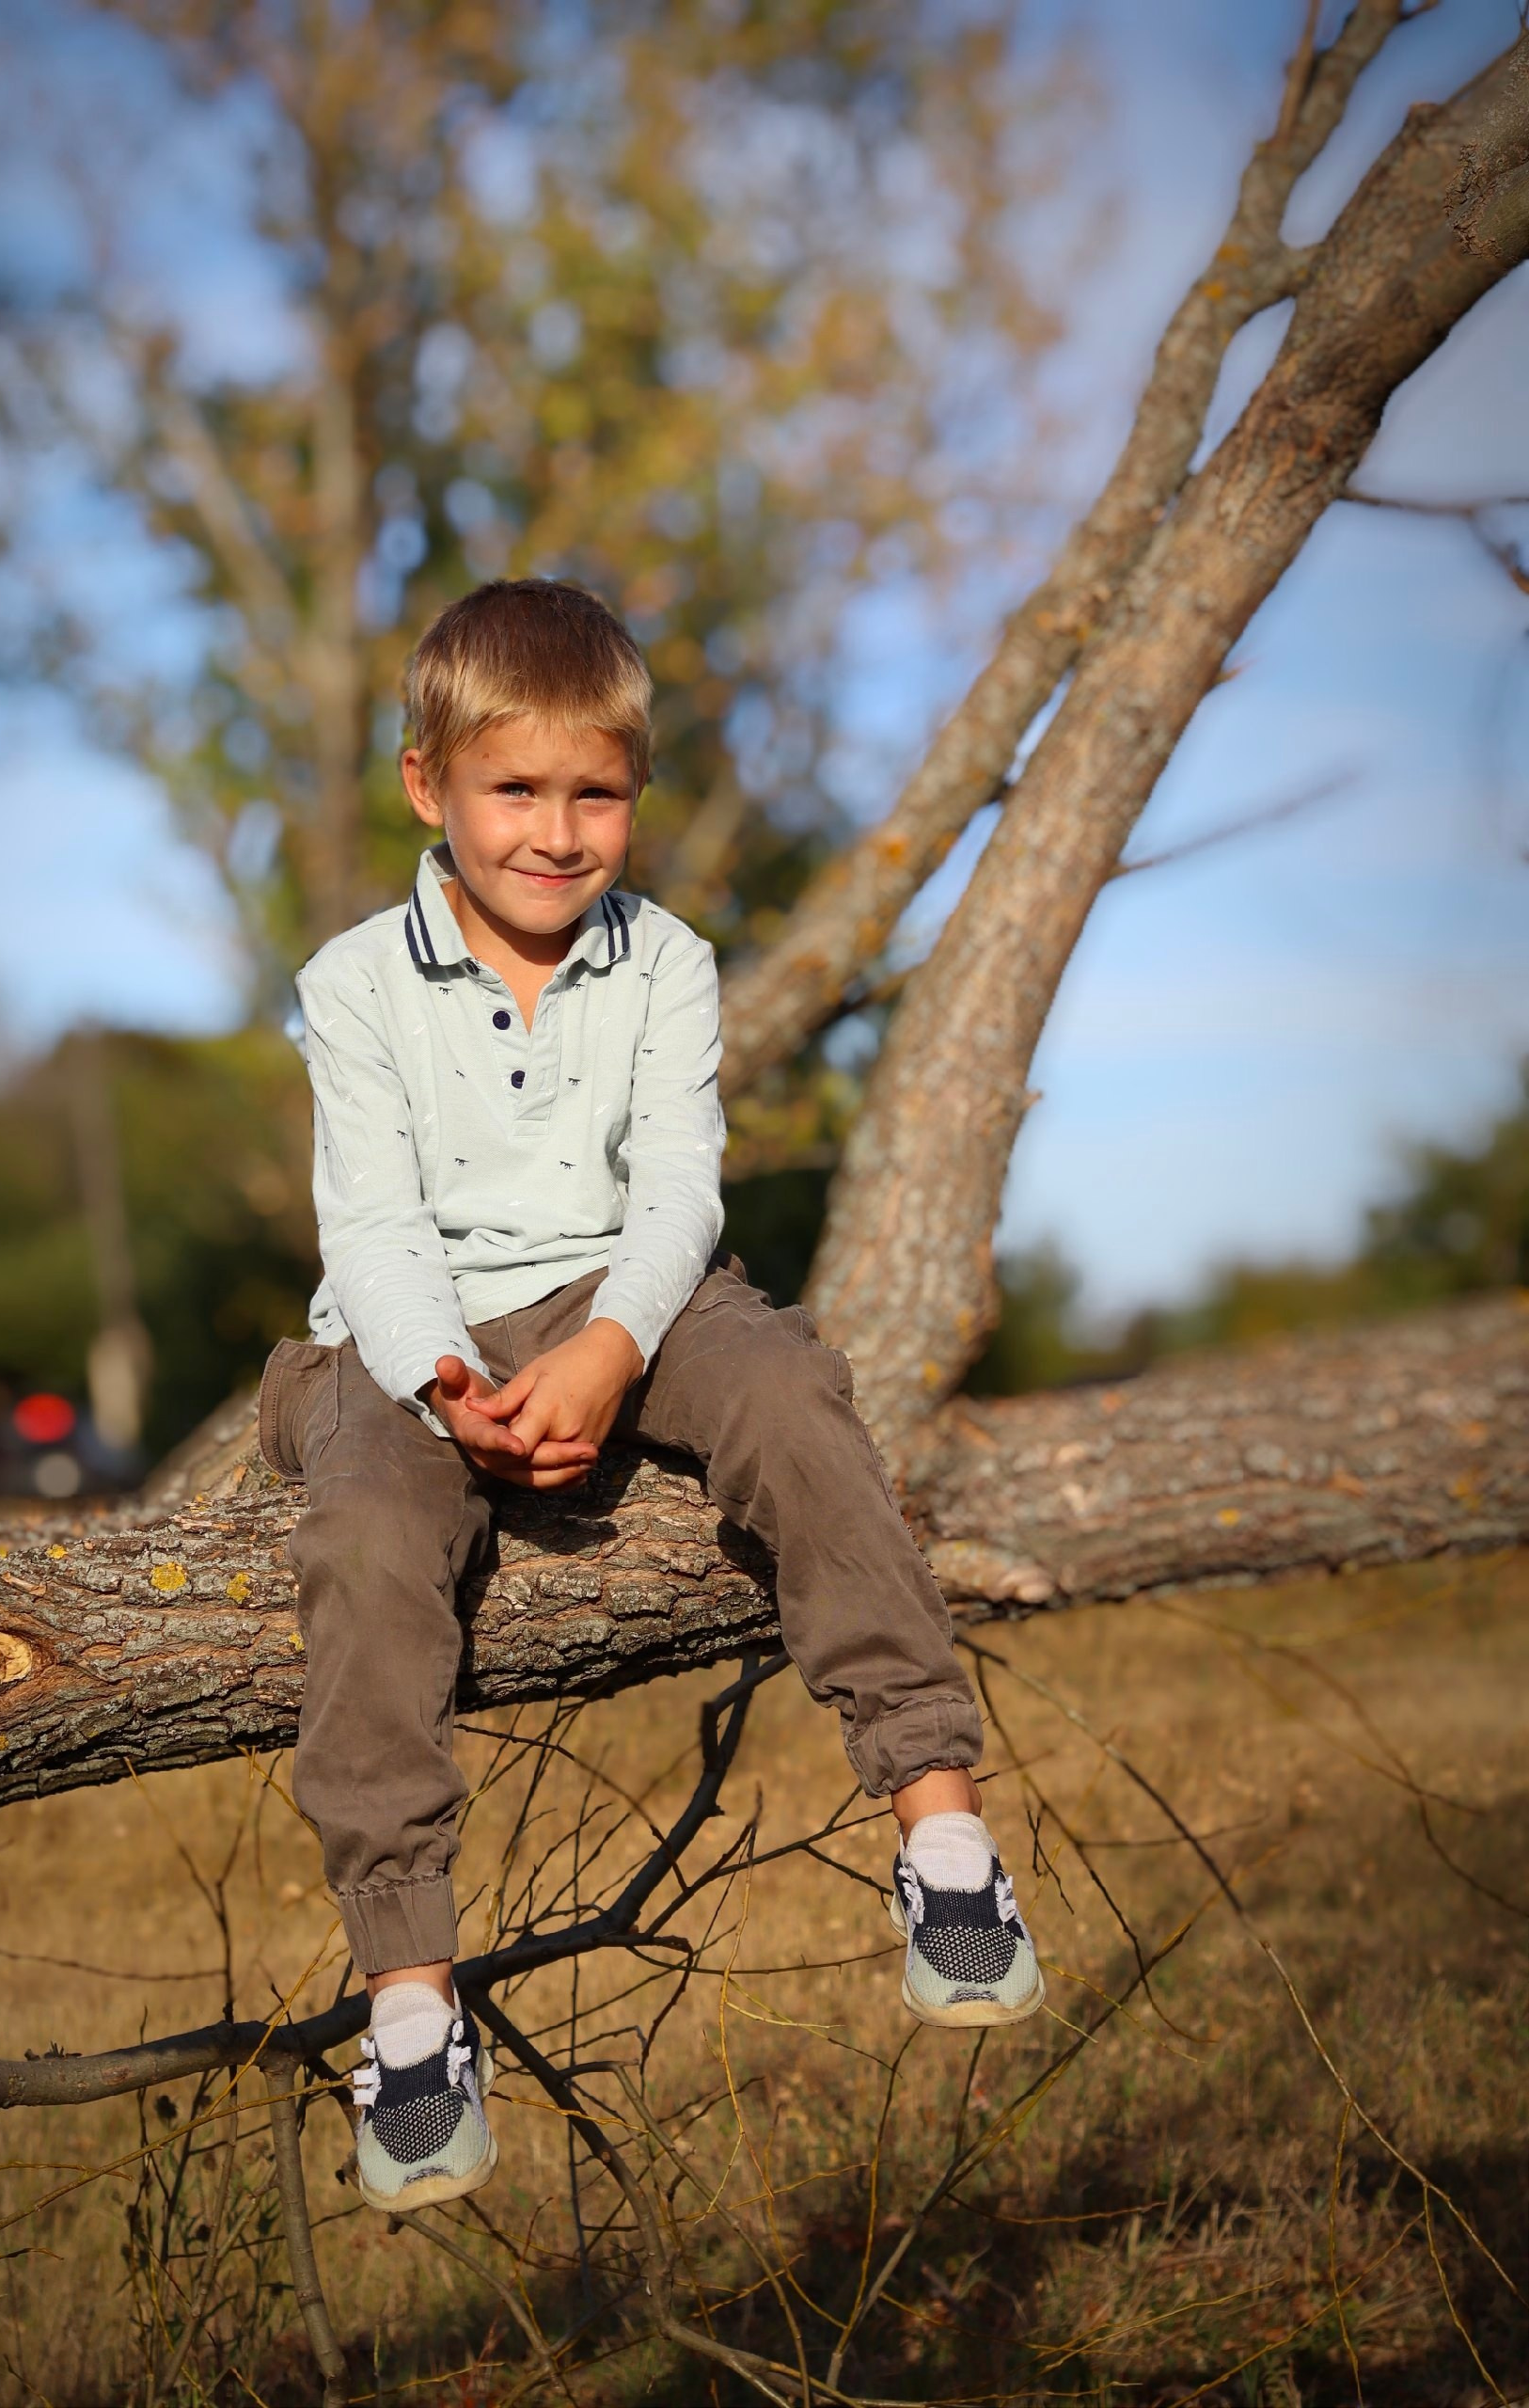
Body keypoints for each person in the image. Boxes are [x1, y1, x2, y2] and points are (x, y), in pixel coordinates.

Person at [260, 578, 1042, 2214]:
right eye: (515, 790)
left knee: (787, 1396)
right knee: (362, 1543)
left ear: (633, 792)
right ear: (429, 787)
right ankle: (411, 1995)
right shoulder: (353, 984)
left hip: (636, 1290)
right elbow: (374, 1221)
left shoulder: (665, 961)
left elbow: (681, 1186)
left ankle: (940, 1822)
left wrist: (615, 1349)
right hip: (412, 1337)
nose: (557, 832)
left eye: (594, 792)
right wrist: (445, 1383)